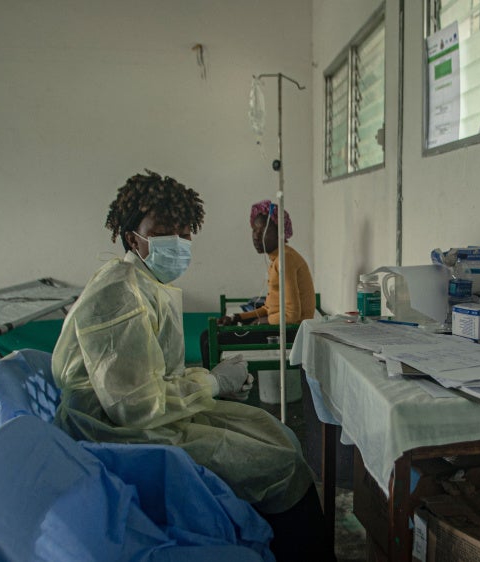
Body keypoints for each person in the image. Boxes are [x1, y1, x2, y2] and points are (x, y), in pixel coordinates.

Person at [52, 171, 332, 561]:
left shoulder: (147, 284)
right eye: (165, 232)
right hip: (116, 433)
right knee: (277, 464)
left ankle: (274, 542)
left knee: (277, 433)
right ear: (133, 238)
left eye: (184, 233)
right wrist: (213, 383)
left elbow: (153, 377)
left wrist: (211, 381)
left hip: (146, 416)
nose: (179, 243)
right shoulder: (119, 291)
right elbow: (134, 405)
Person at [200, 200, 316, 368]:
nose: (255, 235)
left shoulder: (285, 260)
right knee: (206, 337)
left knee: (210, 340)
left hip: (291, 332)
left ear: (280, 233)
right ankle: (213, 383)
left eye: (262, 230)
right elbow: (269, 308)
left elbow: (292, 315)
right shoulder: (277, 259)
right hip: (279, 326)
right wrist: (237, 318)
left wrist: (264, 322)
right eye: (254, 230)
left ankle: (214, 386)